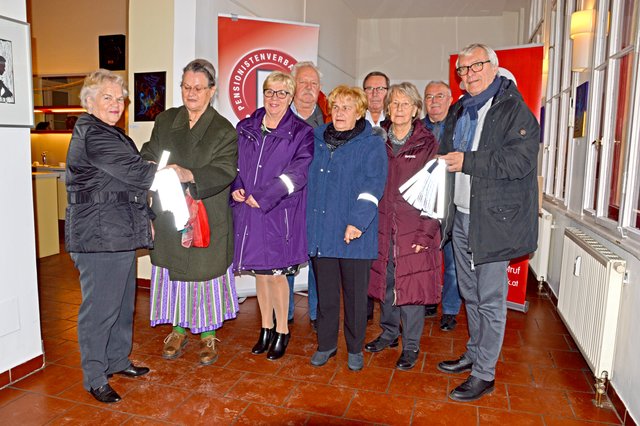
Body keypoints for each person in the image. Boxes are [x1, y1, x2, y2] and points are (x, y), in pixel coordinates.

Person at [437, 43, 539, 402]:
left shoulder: (513, 109)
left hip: (495, 220)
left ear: (494, 67)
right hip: (462, 216)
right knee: (470, 294)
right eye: (462, 69)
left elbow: (518, 162)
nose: (469, 74)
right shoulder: (460, 109)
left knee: (491, 298)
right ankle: (474, 352)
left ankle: (485, 374)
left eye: (476, 66)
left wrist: (468, 162)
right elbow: (446, 159)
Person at [65, 69, 156, 403]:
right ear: (90, 102)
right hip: (97, 237)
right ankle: (94, 376)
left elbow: (127, 186)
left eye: (121, 99)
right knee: (100, 309)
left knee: (120, 304)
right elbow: (137, 173)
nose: (117, 104)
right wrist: (172, 171)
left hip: (116, 232)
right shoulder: (94, 134)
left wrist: (148, 218)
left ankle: (117, 359)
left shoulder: (112, 134)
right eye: (108, 97)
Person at [141, 59, 239, 366]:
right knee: (175, 275)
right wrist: (146, 174)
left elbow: (225, 170)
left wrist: (190, 174)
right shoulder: (166, 120)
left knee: (204, 275)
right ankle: (178, 330)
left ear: (211, 90)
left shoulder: (223, 129)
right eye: (186, 87)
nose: (191, 93)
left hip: (205, 213)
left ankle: (209, 336)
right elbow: (149, 153)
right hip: (170, 214)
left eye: (198, 88)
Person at [232, 71, 314, 361]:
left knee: (277, 275)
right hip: (250, 211)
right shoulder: (246, 126)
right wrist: (237, 187)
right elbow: (235, 164)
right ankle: (265, 328)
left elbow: (298, 173)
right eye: (270, 91)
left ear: (291, 97)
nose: (274, 98)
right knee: (261, 274)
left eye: (281, 93)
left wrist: (264, 196)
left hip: (280, 213)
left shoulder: (302, 133)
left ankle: (282, 330)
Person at [307, 85, 388, 371]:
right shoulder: (316, 139)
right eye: (336, 106)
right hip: (321, 231)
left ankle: (354, 348)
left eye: (347, 107)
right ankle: (326, 345)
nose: (340, 112)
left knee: (355, 298)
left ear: (359, 112)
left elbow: (372, 186)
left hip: (355, 232)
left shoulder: (372, 143)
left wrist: (358, 222)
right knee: (327, 296)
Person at [366, 82, 442, 371]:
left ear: (415, 110)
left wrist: (426, 232)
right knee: (386, 284)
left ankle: (411, 345)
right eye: (394, 103)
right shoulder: (377, 139)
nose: (398, 109)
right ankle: (388, 333)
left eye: (405, 104)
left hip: (414, 228)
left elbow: (436, 192)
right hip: (382, 226)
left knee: (411, 289)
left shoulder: (427, 143)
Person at [286, 61, 331, 331]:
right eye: (303, 82)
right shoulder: (278, 119)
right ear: (292, 86)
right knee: (287, 261)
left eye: (313, 84)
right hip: (287, 204)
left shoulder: (328, 124)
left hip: (318, 205)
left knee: (318, 263)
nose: (308, 88)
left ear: (319, 90)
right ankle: (286, 314)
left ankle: (316, 315)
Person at [422, 80, 461, 331]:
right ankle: (428, 300)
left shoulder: (461, 127)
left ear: (450, 99)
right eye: (429, 97)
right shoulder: (417, 128)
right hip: (423, 203)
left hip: (453, 202)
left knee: (453, 263)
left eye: (439, 96)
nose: (434, 101)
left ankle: (449, 309)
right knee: (425, 258)